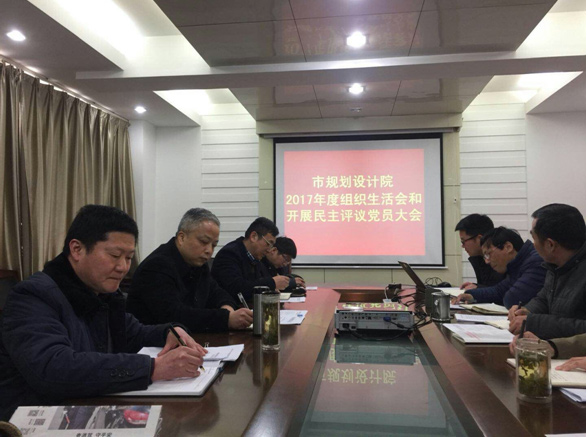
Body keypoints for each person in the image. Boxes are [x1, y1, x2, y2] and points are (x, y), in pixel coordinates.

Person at [0, 205, 206, 421]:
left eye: (129, 258)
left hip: (86, 408)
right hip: (32, 421)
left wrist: (169, 331)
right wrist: (152, 368)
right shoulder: (33, 295)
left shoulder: (101, 293)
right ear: (77, 249)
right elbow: (52, 368)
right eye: (115, 255)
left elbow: (134, 333)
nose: (123, 267)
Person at [127, 208, 253, 332]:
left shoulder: (198, 264)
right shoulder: (157, 266)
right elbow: (174, 315)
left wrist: (227, 307)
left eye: (214, 245)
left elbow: (217, 293)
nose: (209, 250)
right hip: (153, 342)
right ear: (181, 238)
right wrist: (226, 319)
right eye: (204, 242)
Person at [509, 204, 586, 339]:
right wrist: (527, 310)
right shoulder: (555, 266)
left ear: (550, 245)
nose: (533, 244)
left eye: (534, 238)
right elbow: (544, 299)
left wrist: (534, 323)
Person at [454, 227, 545, 309]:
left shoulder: (535, 262)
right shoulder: (517, 264)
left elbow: (512, 299)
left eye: (488, 254)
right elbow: (498, 291)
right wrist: (472, 295)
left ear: (508, 247)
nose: (487, 261)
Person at [211, 217, 289, 301]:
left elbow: (257, 282)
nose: (269, 250)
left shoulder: (255, 258)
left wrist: (271, 290)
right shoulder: (229, 254)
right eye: (268, 244)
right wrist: (272, 283)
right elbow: (237, 289)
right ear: (253, 236)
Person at [455, 214, 505, 290]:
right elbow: (489, 286)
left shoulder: (500, 259)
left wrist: (479, 288)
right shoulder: (479, 258)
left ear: (479, 239)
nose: (462, 246)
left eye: (463, 241)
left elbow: (502, 291)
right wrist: (476, 286)